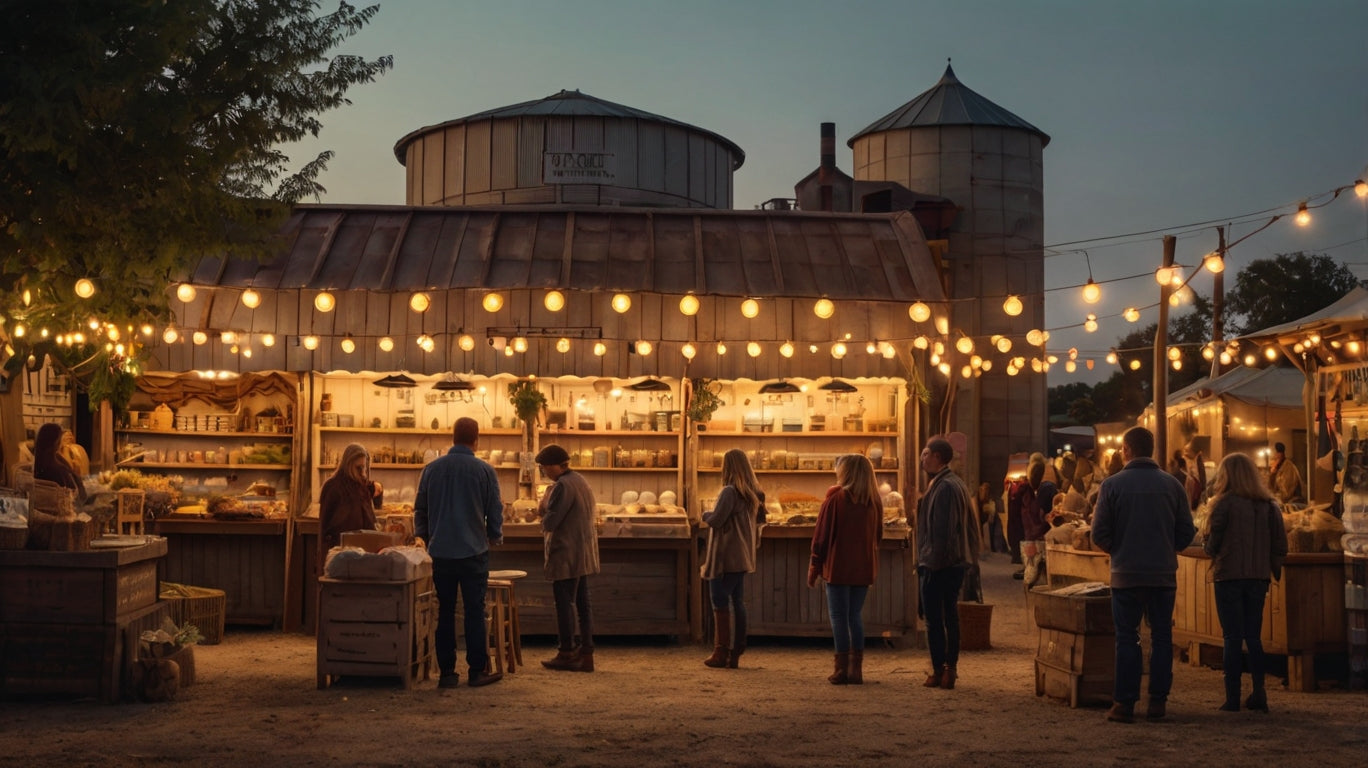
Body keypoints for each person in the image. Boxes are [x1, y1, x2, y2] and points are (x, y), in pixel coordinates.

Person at [1092, 426, 1196, 723]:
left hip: (1125, 575)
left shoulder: (1111, 486)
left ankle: (1124, 704)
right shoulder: (1173, 485)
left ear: (1126, 450)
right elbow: (1187, 532)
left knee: (1128, 638)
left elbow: (1099, 533)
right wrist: (1166, 550)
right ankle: (1157, 703)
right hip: (1163, 575)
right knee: (1162, 637)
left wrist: (1120, 551)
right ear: (1150, 450)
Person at [415, 417, 505, 688]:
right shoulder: (485, 470)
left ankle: (447, 674)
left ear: (453, 438)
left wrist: (427, 537)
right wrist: (494, 535)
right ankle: (477, 671)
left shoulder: (432, 469)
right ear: (476, 440)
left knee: (444, 612)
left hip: (441, 551)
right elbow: (495, 509)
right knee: (474, 611)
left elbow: (420, 509)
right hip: (473, 550)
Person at [1203, 452, 1288, 713]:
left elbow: (1211, 546)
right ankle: (1259, 693)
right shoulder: (1269, 506)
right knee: (1254, 637)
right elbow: (1280, 545)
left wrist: (1209, 544)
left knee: (1231, 637)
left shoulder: (1223, 504)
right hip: (1258, 577)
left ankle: (1232, 697)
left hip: (1228, 575)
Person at [807, 453, 881, 685]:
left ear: (846, 472)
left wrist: (814, 567)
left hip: (838, 567)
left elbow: (821, 537)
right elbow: (878, 536)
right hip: (863, 567)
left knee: (839, 617)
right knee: (854, 616)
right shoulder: (874, 501)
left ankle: (840, 669)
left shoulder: (835, 499)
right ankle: (856, 669)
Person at [915, 437, 980, 690]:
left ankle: (939, 669)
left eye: (927, 453)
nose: (923, 457)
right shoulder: (953, 483)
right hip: (953, 562)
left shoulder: (944, 487)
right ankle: (949, 670)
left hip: (940, 563)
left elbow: (941, 532)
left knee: (935, 619)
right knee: (950, 616)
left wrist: (930, 563)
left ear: (938, 458)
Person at [537, 443, 600, 672]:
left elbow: (551, 521)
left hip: (566, 552)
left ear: (558, 465)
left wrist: (542, 507)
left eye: (545, 467)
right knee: (583, 603)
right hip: (581, 553)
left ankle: (566, 652)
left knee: (564, 603)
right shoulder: (581, 480)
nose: (544, 471)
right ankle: (586, 654)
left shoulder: (562, 486)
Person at [701, 449, 765, 669]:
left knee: (719, 599)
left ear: (727, 467)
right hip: (743, 555)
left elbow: (717, 520)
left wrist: (704, 514)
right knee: (737, 602)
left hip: (725, 556)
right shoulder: (752, 493)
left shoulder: (729, 492)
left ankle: (721, 651)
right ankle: (736, 651)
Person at [318, 443, 381, 570]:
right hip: (340, 551)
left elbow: (368, 515)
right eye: (358, 468)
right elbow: (325, 525)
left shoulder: (361, 485)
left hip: (361, 550)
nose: (362, 472)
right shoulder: (332, 487)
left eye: (363, 468)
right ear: (348, 464)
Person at [1008, 452, 1057, 580]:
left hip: (1030, 530)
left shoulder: (1026, 490)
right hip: (1038, 530)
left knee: (1032, 559)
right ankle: (1033, 570)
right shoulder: (1047, 487)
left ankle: (1031, 571)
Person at [32, 422, 87, 504]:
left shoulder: (40, 461)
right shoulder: (58, 469)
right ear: (56, 442)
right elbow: (76, 495)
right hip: (67, 506)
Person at [976, 481, 1008, 554]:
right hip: (984, 521)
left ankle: (999, 549)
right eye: (983, 489)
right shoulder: (978, 499)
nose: (985, 492)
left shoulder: (990, 500)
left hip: (989, 520)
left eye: (987, 489)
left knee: (995, 524)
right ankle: (998, 549)